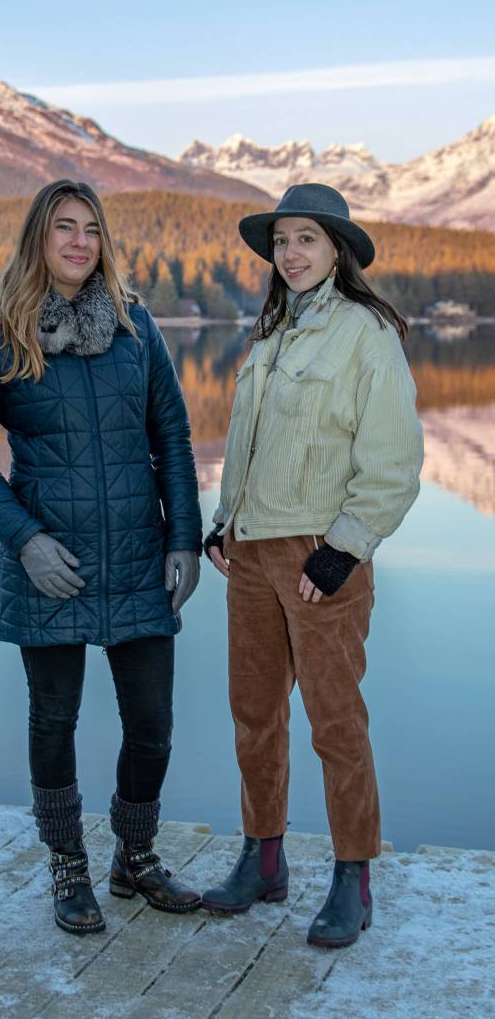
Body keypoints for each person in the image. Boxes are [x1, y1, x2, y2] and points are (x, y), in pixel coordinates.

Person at [0, 179, 203, 935]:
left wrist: (184, 538)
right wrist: (24, 539)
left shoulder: (136, 326)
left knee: (152, 724)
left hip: (137, 556)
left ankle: (135, 856)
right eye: (64, 227)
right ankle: (67, 864)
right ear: (39, 236)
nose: (79, 242)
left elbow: (173, 437)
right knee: (53, 719)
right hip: (50, 563)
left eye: (91, 229)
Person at [201, 184, 424, 948]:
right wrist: (223, 522)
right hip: (252, 554)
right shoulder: (272, 333)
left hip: (320, 557)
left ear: (337, 250)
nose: (290, 253)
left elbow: (393, 461)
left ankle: (351, 876)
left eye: (305, 239)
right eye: (281, 240)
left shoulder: (365, 333)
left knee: (334, 721)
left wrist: (344, 550)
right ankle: (263, 860)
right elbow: (250, 444)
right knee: (253, 714)